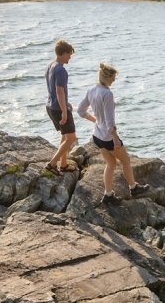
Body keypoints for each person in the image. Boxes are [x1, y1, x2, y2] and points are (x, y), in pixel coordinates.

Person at [77, 62, 150, 207]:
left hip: (97, 136)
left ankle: (108, 195)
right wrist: (116, 139)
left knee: (110, 163)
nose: (114, 81)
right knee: (126, 161)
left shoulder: (91, 90)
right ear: (107, 78)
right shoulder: (107, 94)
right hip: (108, 137)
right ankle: (134, 188)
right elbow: (110, 122)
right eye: (113, 78)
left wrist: (96, 121)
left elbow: (80, 111)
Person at [44, 39, 77, 174]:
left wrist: (66, 102)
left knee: (65, 135)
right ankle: (52, 164)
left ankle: (63, 164)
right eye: (69, 54)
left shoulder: (51, 65)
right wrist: (64, 110)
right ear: (63, 53)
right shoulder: (61, 70)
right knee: (71, 138)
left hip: (51, 106)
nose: (70, 57)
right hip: (58, 109)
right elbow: (59, 90)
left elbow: (53, 90)